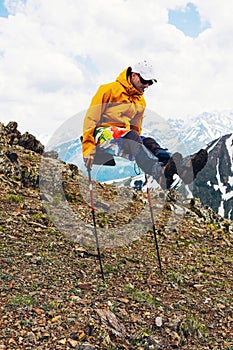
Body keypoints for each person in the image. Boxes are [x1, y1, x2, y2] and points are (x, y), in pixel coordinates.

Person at [82, 60, 208, 189]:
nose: (147, 85)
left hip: (125, 136)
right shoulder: (108, 90)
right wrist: (88, 148)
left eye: (150, 82)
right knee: (133, 137)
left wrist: (142, 151)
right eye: (144, 81)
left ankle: (182, 168)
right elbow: (91, 119)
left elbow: (136, 129)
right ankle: (159, 173)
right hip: (102, 133)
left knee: (149, 142)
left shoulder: (140, 100)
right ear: (134, 75)